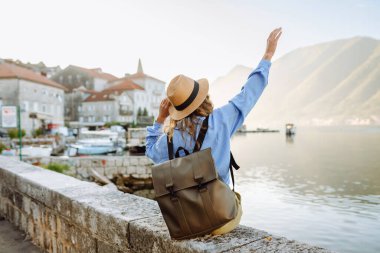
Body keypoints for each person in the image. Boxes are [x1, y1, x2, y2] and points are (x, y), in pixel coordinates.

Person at [146, 28, 282, 235]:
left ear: (176, 110)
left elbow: (150, 152)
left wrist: (160, 119)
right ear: (203, 99)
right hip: (220, 219)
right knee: (236, 200)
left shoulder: (170, 138)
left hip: (188, 219)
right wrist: (267, 56)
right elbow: (248, 94)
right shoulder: (220, 120)